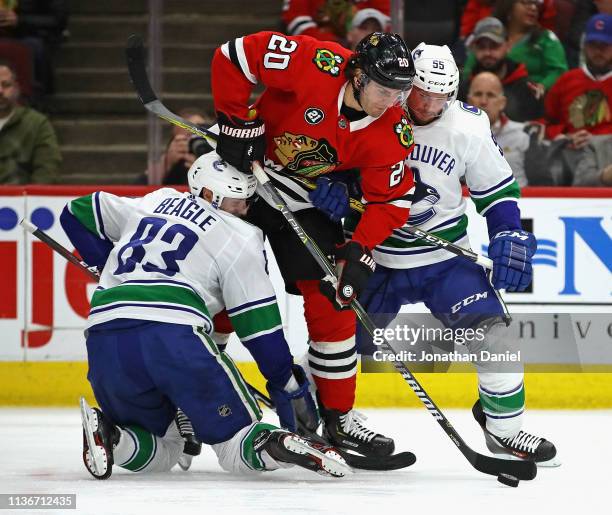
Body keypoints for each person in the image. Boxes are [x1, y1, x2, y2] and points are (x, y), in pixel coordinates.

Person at [59, 152, 348, 480]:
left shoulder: (157, 200)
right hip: (174, 337)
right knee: (234, 443)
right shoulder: (240, 237)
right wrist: (286, 382)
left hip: (103, 335)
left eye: (247, 201)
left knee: (164, 449)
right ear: (209, 195)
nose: (245, 210)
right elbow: (260, 328)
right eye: (237, 202)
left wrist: (104, 262)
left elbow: (76, 211)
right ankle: (277, 443)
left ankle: (114, 437)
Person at [346, 43, 558, 465]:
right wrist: (334, 195)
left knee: (494, 337)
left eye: (441, 95)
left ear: (454, 92)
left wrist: (508, 233)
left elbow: (497, 192)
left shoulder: (469, 126)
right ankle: (327, 420)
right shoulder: (372, 109)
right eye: (421, 91)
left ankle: (503, 429)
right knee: (337, 342)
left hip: (443, 258)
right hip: (374, 253)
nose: (428, 103)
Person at [211, 31, 416, 457]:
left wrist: (360, 247)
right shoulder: (315, 60)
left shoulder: (394, 129)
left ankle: (338, 416)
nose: (390, 102)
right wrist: (233, 120)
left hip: (301, 198)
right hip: (242, 175)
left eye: (399, 93)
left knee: (335, 294)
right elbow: (233, 55)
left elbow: (391, 201)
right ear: (357, 76)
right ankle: (196, 389)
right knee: (217, 279)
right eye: (383, 89)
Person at [543, 13, 612, 185]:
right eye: (593, 45)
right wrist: (565, 136)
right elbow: (546, 123)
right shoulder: (567, 81)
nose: (598, 51)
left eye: (604, 46)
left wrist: (599, 140)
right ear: (584, 45)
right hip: (572, 156)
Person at [458, 17, 544, 121]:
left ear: (508, 45)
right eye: (481, 47)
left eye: (494, 46)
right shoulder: (463, 90)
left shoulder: (526, 90)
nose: (488, 53)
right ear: (473, 48)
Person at [0, 59, 61, 183]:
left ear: (16, 88)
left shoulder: (37, 124)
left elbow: (47, 172)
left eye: (6, 85)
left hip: (20, 199)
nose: (0, 91)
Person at [467, 71, 529, 186]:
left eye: (490, 95)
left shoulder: (523, 134)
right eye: (478, 94)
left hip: (518, 200)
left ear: (502, 103)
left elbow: (542, 183)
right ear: (469, 101)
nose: (483, 101)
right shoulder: (454, 135)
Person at [282, 0, 389, 45]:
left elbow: (388, 20)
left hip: (365, 43)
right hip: (318, 48)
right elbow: (297, 20)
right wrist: (333, 44)